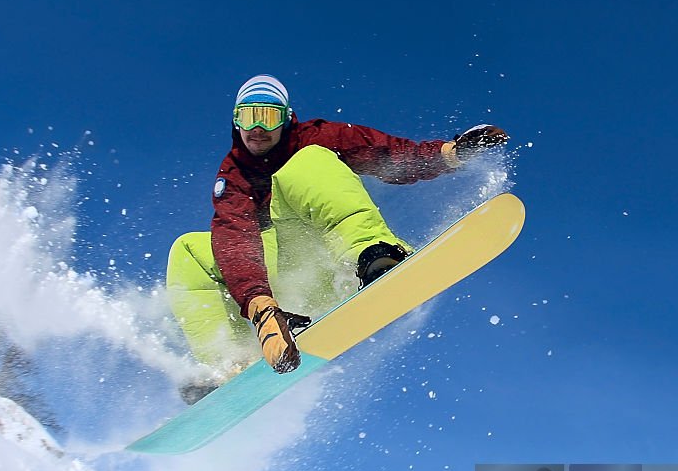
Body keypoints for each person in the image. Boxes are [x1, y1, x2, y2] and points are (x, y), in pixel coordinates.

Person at [167, 74, 508, 402]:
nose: (257, 129)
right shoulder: (234, 174)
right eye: (248, 117)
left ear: (285, 119)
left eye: (268, 117)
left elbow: (386, 154)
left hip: (333, 258)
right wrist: (260, 308)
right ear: (235, 121)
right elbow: (235, 237)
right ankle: (229, 364)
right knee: (188, 251)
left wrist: (452, 154)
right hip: (283, 290)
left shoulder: (314, 137)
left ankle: (376, 257)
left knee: (306, 162)